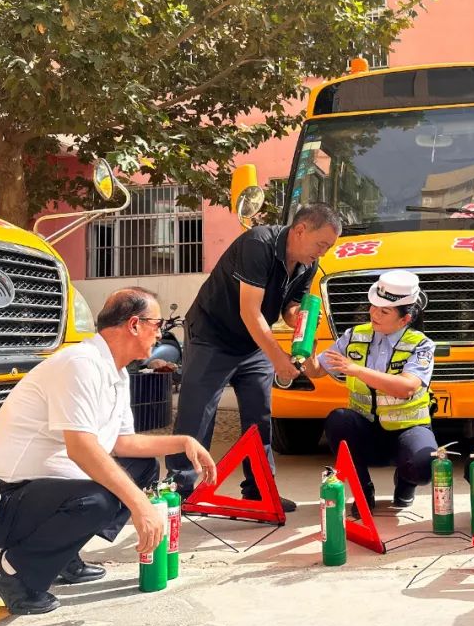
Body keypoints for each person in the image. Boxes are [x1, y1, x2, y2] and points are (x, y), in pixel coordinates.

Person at [0, 288, 217, 616]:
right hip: (1, 502)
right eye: (157, 324)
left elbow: (122, 443)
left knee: (141, 468)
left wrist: (183, 442)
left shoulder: (116, 372)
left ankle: (61, 555)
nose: (160, 333)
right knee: (98, 500)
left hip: (38, 494)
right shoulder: (80, 364)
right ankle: (13, 572)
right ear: (134, 324)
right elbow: (81, 448)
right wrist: (139, 504)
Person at [167, 204, 342, 509]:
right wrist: (278, 359)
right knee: (197, 414)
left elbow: (289, 308)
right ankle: (179, 489)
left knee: (259, 417)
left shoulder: (308, 264)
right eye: (321, 244)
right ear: (301, 230)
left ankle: (260, 490)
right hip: (213, 336)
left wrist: (302, 322)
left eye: (328, 247)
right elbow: (249, 310)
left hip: (253, 342)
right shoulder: (258, 244)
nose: (322, 253)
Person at [304, 270, 437, 516]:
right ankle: (363, 491)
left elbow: (407, 387)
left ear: (405, 319)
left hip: (407, 430)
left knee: (424, 466)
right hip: (366, 430)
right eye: (373, 306)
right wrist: (308, 345)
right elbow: (316, 370)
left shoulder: (421, 344)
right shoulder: (355, 335)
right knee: (338, 420)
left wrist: (356, 369)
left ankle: (405, 483)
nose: (374, 314)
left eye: (384, 311)